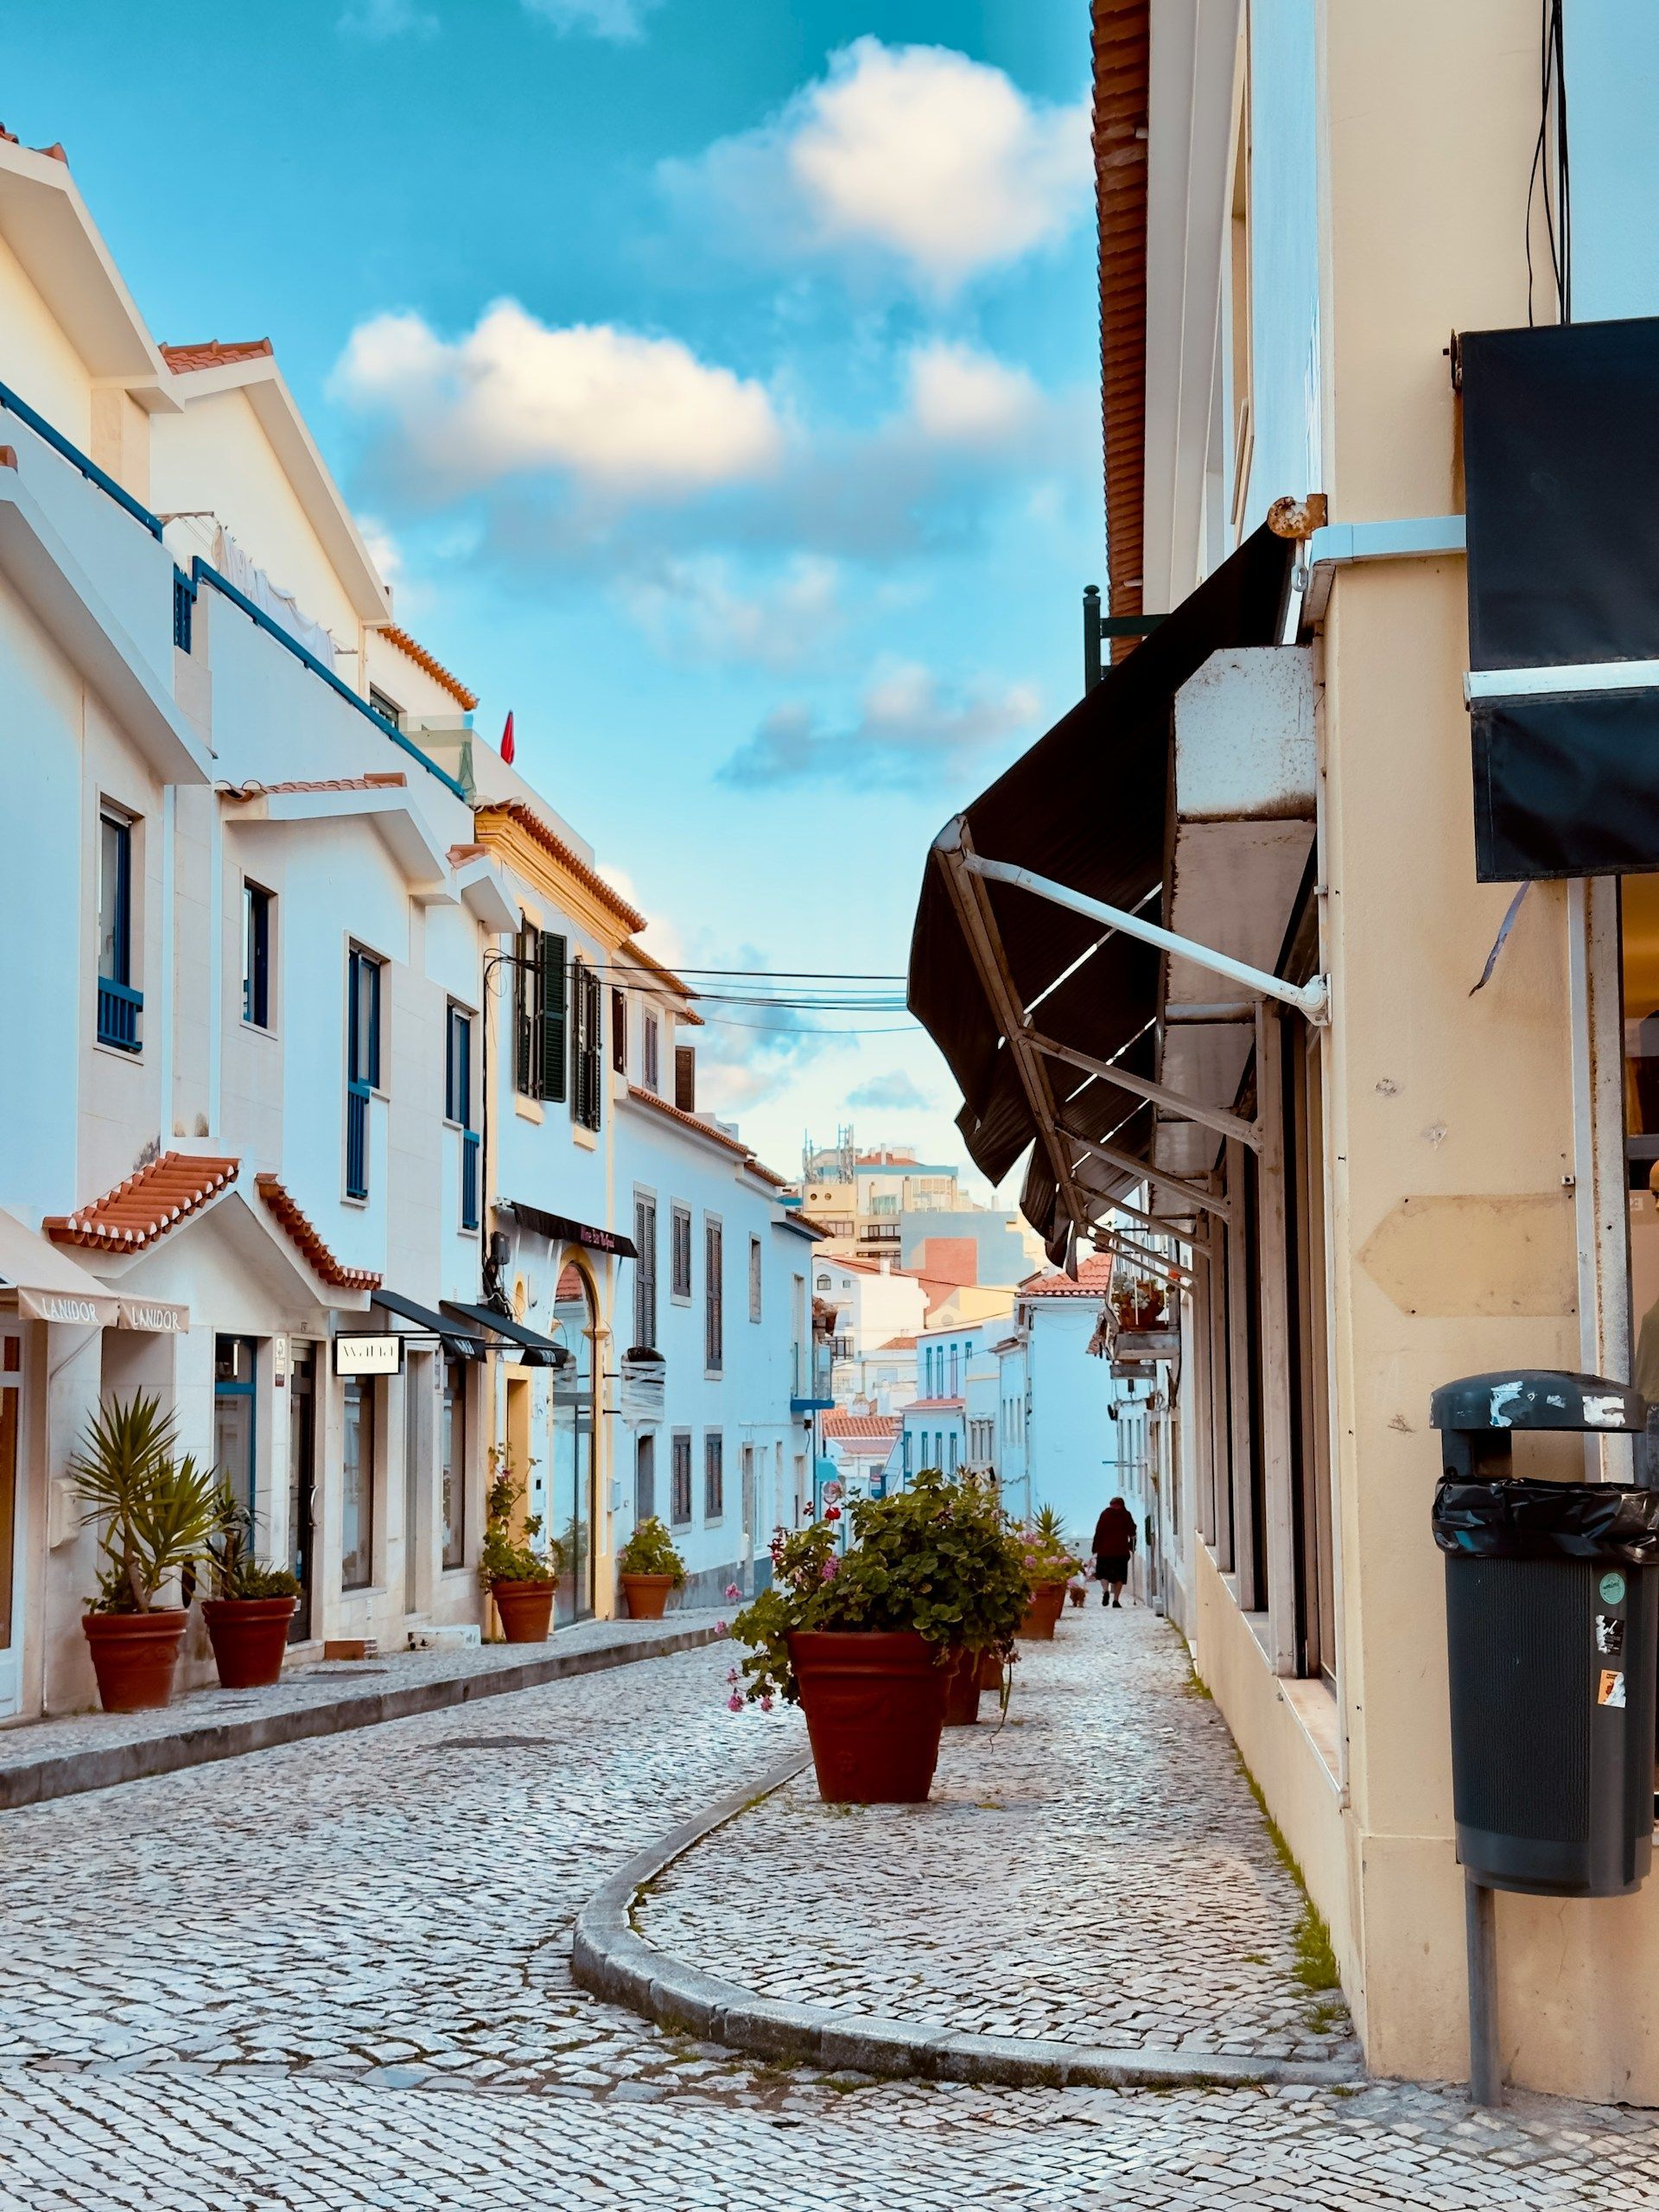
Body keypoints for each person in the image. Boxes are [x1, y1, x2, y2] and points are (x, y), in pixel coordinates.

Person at [1091, 1496, 1138, 1608]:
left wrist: (1095, 1548)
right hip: (1121, 1551)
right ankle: (1116, 1600)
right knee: (1120, 1576)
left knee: (1103, 1574)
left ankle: (1105, 1591)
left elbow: (1098, 1531)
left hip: (1104, 1551)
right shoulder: (1126, 1514)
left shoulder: (1105, 1514)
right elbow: (1132, 1531)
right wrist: (1132, 1546)